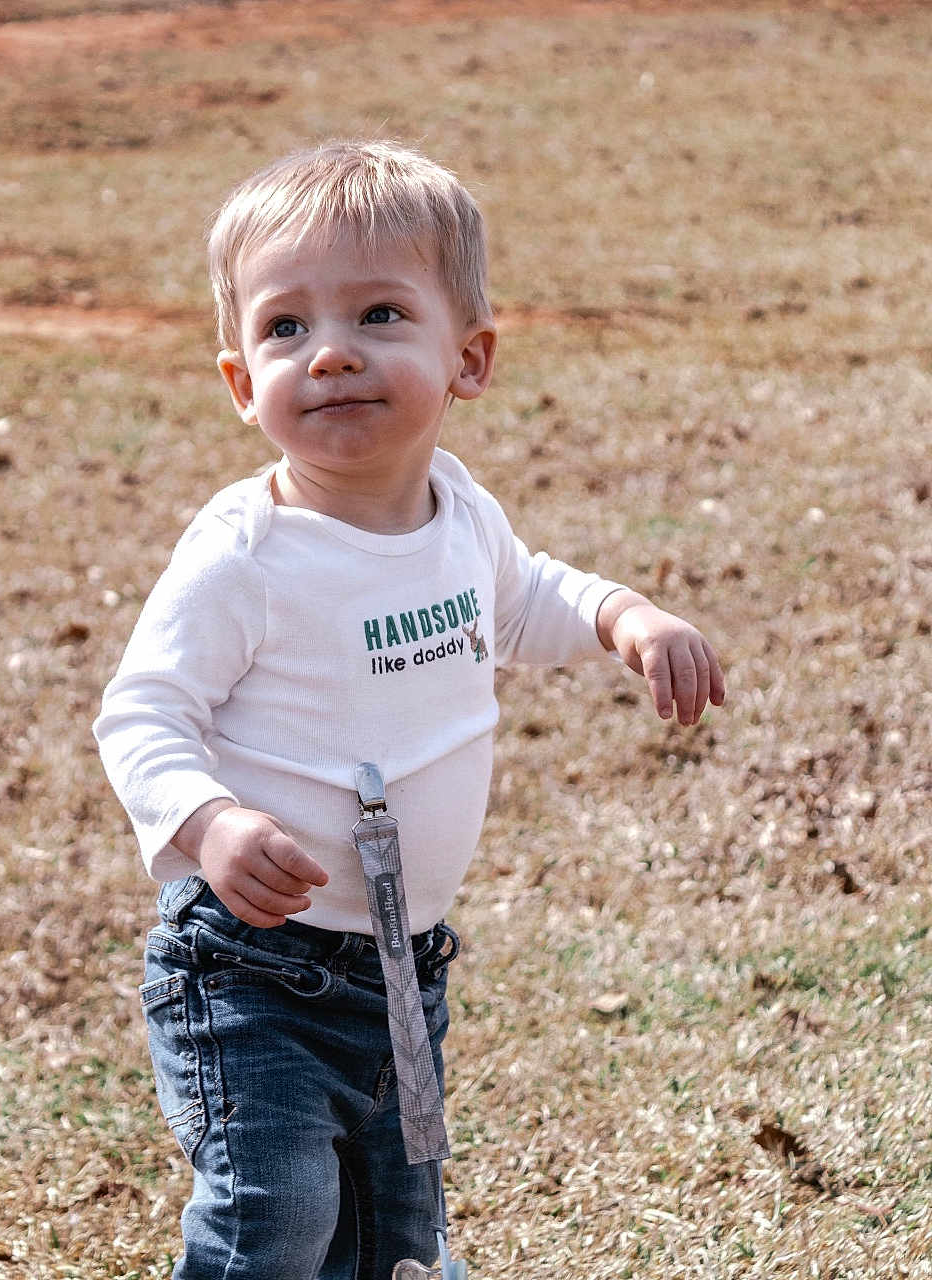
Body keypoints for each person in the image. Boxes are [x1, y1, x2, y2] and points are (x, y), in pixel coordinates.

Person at [94, 139, 724, 1280]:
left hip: (401, 967)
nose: (330, 351)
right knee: (275, 1215)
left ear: (468, 357)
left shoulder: (461, 517)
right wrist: (210, 822)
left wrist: (624, 616)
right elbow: (141, 713)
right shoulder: (247, 553)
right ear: (240, 382)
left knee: (398, 1231)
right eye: (285, 327)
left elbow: (524, 599)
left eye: (378, 313)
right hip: (249, 968)